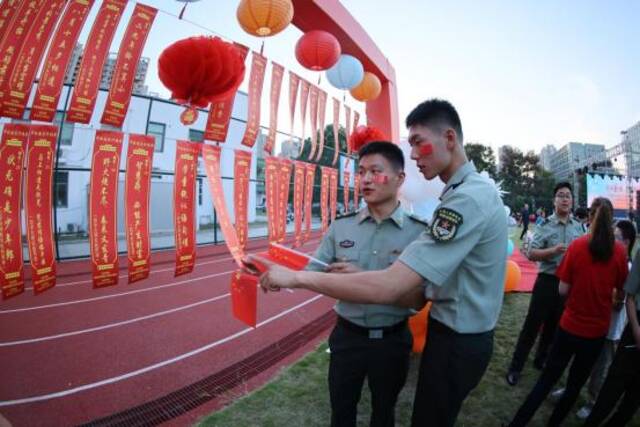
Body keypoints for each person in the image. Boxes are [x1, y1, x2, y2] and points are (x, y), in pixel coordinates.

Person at [245, 99, 508, 427]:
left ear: (450, 139)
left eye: (417, 143)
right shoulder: (456, 195)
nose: (413, 155)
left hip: (449, 339)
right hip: (373, 336)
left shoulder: (463, 200)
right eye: (362, 172)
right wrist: (275, 270)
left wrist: (296, 280)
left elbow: (396, 288)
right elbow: (314, 268)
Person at [308, 141, 428, 427]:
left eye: (376, 171)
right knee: (341, 410)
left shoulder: (419, 232)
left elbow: (419, 298)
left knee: (384, 412)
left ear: (399, 179)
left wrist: (359, 276)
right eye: (361, 172)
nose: (366, 179)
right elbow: (314, 273)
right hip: (347, 338)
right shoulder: (341, 226)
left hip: (393, 341)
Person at [508, 197, 629, 426]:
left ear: (589, 217)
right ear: (612, 219)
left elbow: (563, 288)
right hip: (596, 332)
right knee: (574, 386)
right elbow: (621, 291)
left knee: (546, 381)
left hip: (569, 326)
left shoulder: (577, 246)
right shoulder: (620, 252)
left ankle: (518, 422)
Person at [506, 182, 584, 386]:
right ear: (554, 200)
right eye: (561, 195)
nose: (565, 199)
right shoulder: (544, 225)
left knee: (554, 326)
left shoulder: (579, 226)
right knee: (532, 326)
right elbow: (531, 253)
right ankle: (516, 367)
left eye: (568, 195)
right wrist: (553, 251)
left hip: (566, 285)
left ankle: (540, 359)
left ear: (572, 200)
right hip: (547, 282)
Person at [573, 220, 636, 419]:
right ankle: (571, 390)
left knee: (600, 369)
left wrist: (601, 294)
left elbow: (621, 301)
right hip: (595, 323)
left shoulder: (627, 265)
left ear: (626, 242)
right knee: (582, 361)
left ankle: (593, 402)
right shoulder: (609, 258)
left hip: (610, 329)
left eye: (616, 237)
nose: (611, 240)